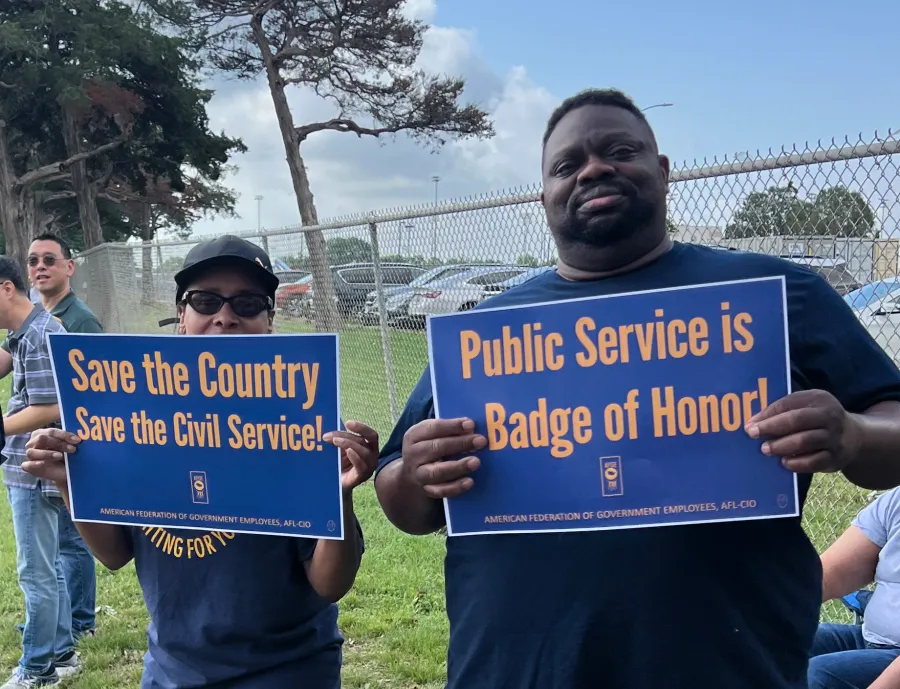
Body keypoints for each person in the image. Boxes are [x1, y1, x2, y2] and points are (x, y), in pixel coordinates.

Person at [373, 88, 900, 689]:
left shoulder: (778, 293)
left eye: (620, 151)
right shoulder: (486, 333)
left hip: (725, 666)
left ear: (663, 171)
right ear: (543, 196)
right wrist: (416, 473)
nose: (593, 169)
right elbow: (402, 499)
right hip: (514, 670)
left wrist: (854, 434)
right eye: (566, 165)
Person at [21, 235, 380, 689]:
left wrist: (338, 495)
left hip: (288, 670)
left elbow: (330, 584)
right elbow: (115, 554)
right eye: (206, 301)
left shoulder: (304, 425)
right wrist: (69, 481)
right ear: (182, 317)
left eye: (248, 303)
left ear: (270, 321)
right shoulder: (135, 419)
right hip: (172, 669)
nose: (225, 316)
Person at [0, 233, 103, 644]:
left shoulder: (74, 321)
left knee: (68, 547)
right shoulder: (32, 319)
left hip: (63, 452)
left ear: (69, 267)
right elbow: (9, 359)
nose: (40, 267)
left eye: (49, 260)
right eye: (33, 261)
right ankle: (57, 633)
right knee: (53, 555)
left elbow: (81, 394)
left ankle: (75, 627)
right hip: (38, 457)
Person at [0, 256, 80, 688]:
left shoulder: (40, 334)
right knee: (49, 567)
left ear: (6, 288)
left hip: (33, 468)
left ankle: (37, 668)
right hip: (32, 466)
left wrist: (1, 427)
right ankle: (63, 651)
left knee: (35, 573)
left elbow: (50, 406)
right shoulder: (25, 332)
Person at [808, 488, 900, 688]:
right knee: (772, 643)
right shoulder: (896, 502)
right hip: (870, 638)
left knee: (819, 675)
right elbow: (830, 574)